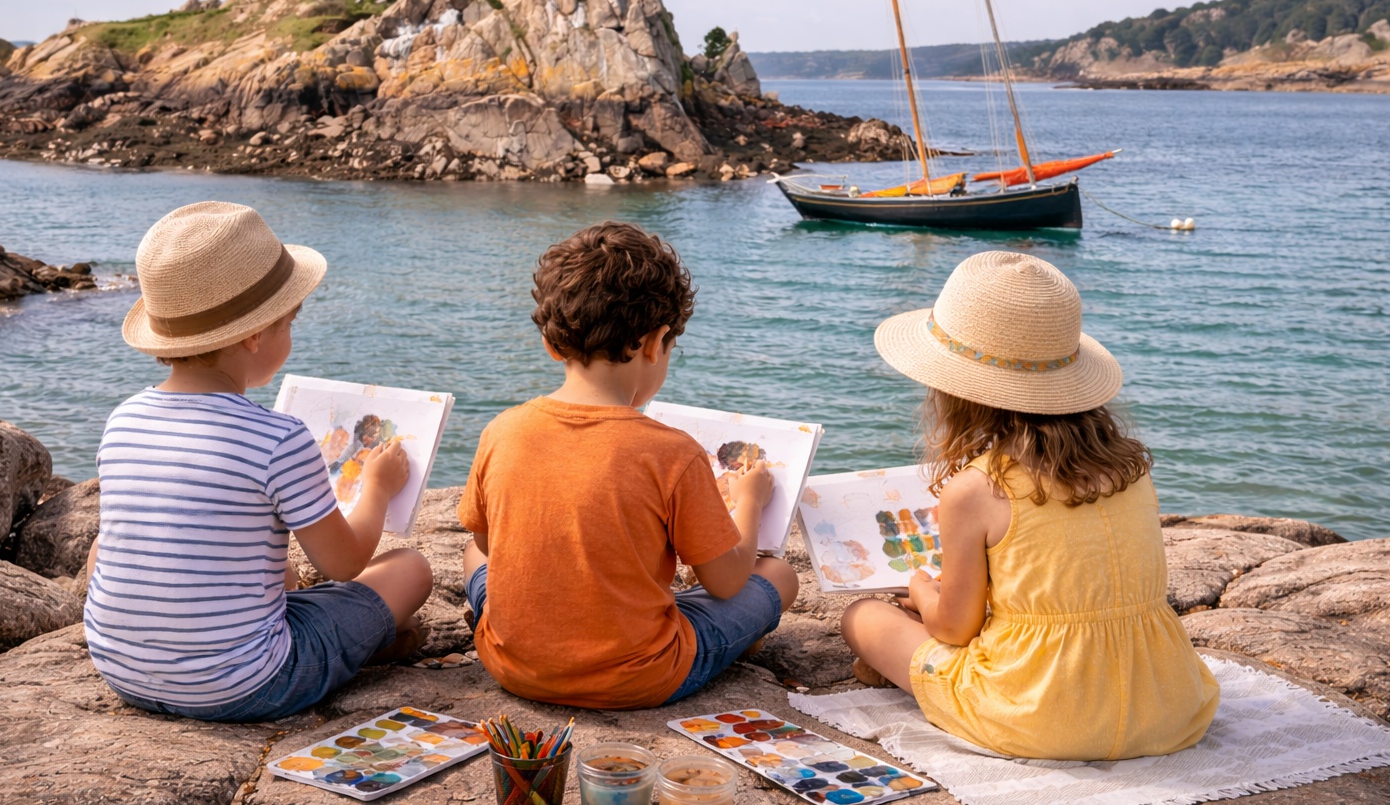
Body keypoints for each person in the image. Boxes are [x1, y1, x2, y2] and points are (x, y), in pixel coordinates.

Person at [842, 250, 1218, 761]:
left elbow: (954, 628)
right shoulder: (1130, 467)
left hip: (1038, 713)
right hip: (1166, 705)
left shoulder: (975, 489)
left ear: (956, 391)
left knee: (862, 617)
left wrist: (922, 590)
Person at [82, 202, 433, 722]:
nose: (291, 334)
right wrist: (377, 488)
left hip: (123, 673)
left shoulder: (124, 418)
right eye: (289, 322)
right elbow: (343, 565)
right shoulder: (277, 437)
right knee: (411, 569)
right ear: (254, 334)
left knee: (279, 571)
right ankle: (356, 651)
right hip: (245, 686)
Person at [457, 221, 799, 710]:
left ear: (552, 344)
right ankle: (735, 640)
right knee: (780, 576)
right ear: (656, 342)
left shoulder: (501, 430)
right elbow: (724, 581)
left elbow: (490, 544)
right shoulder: (672, 452)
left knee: (474, 556)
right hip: (639, 677)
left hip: (512, 666)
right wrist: (749, 502)